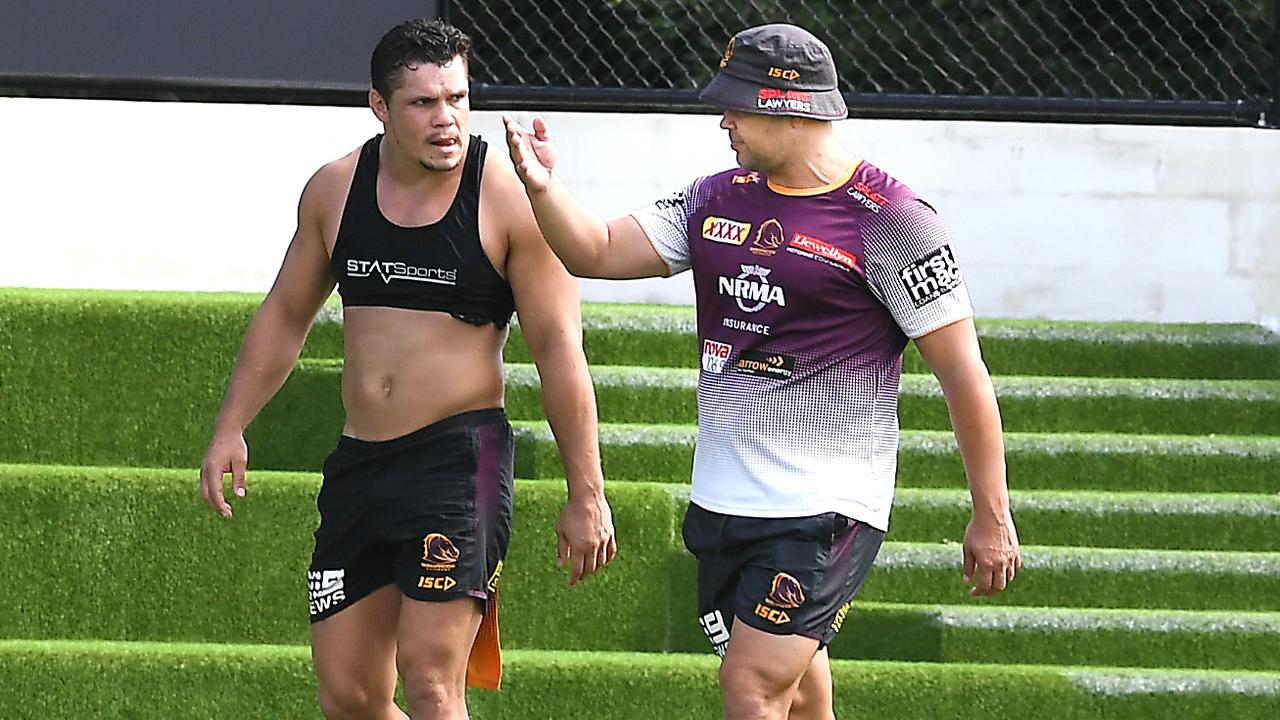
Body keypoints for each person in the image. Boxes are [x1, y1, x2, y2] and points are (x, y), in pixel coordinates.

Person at [504, 22, 1021, 720]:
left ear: (789, 103)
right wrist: (541, 187)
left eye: (736, 104)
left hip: (825, 509)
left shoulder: (893, 219)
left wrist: (991, 513)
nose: (723, 120)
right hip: (722, 504)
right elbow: (594, 250)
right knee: (803, 699)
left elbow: (963, 372)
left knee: (750, 685)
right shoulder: (715, 196)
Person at [197, 18, 617, 720]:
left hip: (462, 458)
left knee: (429, 681)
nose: (446, 118)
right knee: (352, 696)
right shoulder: (335, 190)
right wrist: (231, 425)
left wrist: (588, 492)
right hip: (362, 463)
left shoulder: (511, 200)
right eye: (424, 103)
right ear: (380, 107)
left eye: (457, 97)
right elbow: (285, 315)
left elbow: (558, 353)